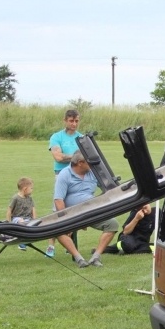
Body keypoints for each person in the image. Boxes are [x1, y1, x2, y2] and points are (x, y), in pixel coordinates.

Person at [53, 152, 120, 268]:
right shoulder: (65, 174)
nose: (92, 165)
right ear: (80, 163)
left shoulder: (93, 173)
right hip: (70, 213)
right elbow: (58, 200)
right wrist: (66, 220)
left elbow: (108, 188)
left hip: (90, 211)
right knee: (59, 231)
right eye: (89, 162)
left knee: (112, 224)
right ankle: (79, 259)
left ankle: (96, 256)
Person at [47, 109, 82, 257]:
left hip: (78, 176)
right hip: (61, 175)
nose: (74, 124)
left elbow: (87, 157)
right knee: (58, 211)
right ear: (65, 121)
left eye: (76, 121)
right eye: (71, 121)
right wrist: (76, 157)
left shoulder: (81, 137)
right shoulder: (56, 137)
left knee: (75, 210)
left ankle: (70, 245)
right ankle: (51, 246)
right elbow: (58, 157)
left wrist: (70, 157)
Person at [6, 177, 37, 251]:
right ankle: (21, 243)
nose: (32, 190)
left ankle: (27, 240)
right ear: (25, 189)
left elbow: (33, 208)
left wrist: (35, 219)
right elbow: (9, 209)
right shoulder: (15, 198)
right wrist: (8, 222)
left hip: (27, 219)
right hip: (17, 218)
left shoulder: (29, 198)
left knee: (30, 224)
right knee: (21, 221)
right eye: (31, 188)